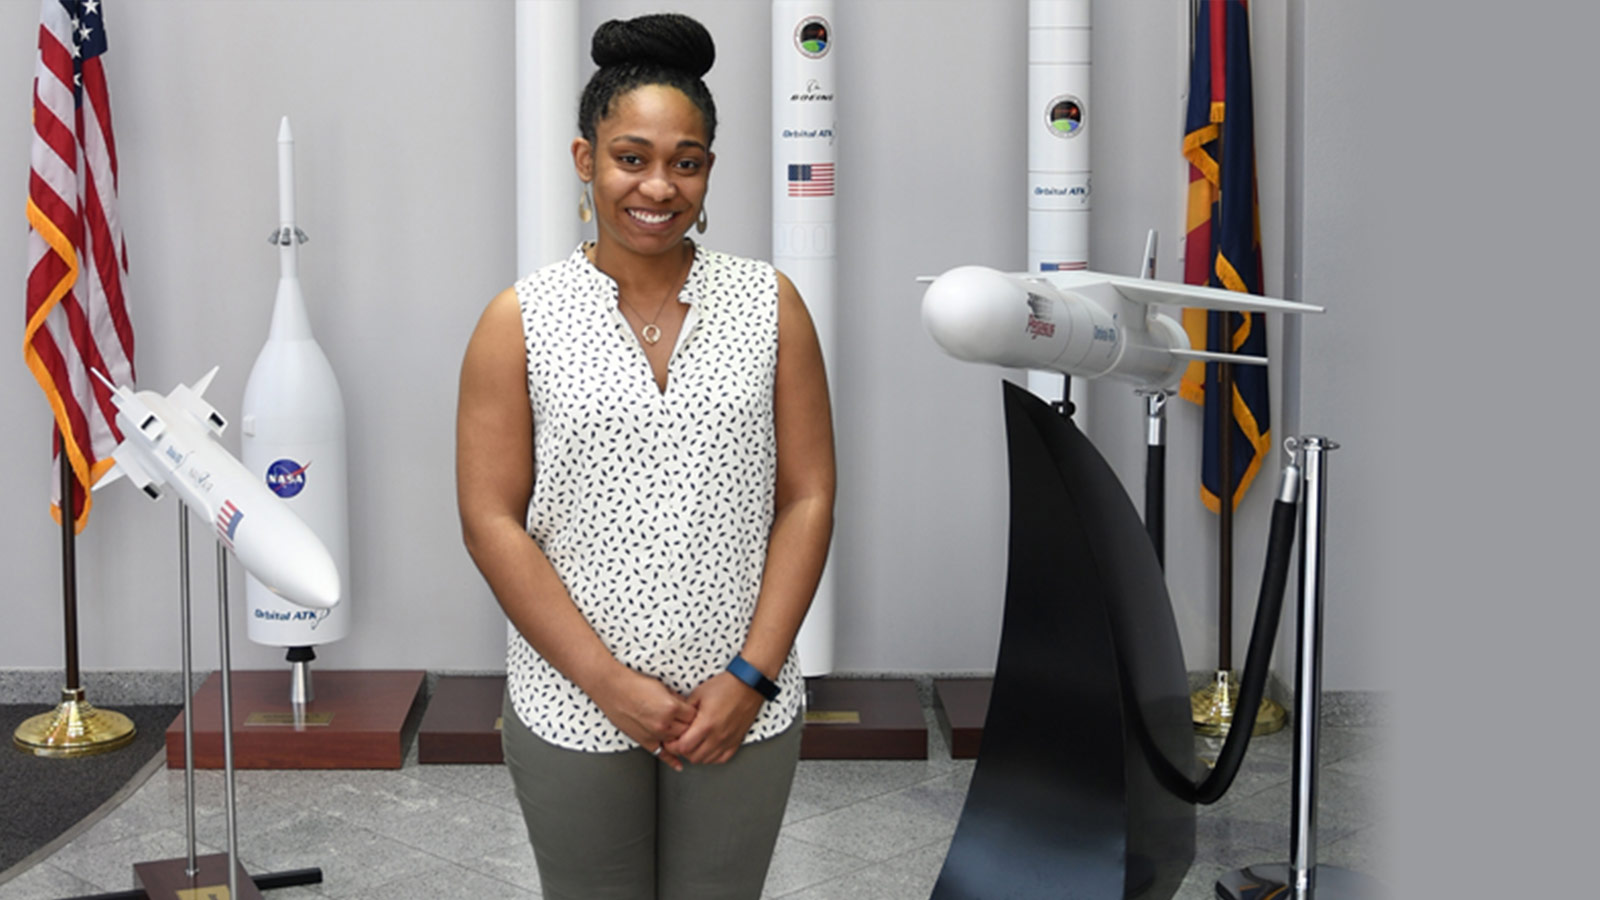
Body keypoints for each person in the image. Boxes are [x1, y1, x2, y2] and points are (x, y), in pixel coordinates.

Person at [454, 12, 835, 900]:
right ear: (586, 160)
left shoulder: (769, 305)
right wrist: (610, 684)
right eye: (632, 157)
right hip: (571, 705)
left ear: (708, 167)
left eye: (686, 161)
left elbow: (809, 496)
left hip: (741, 701)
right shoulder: (521, 320)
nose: (658, 186)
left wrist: (751, 676)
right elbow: (489, 520)